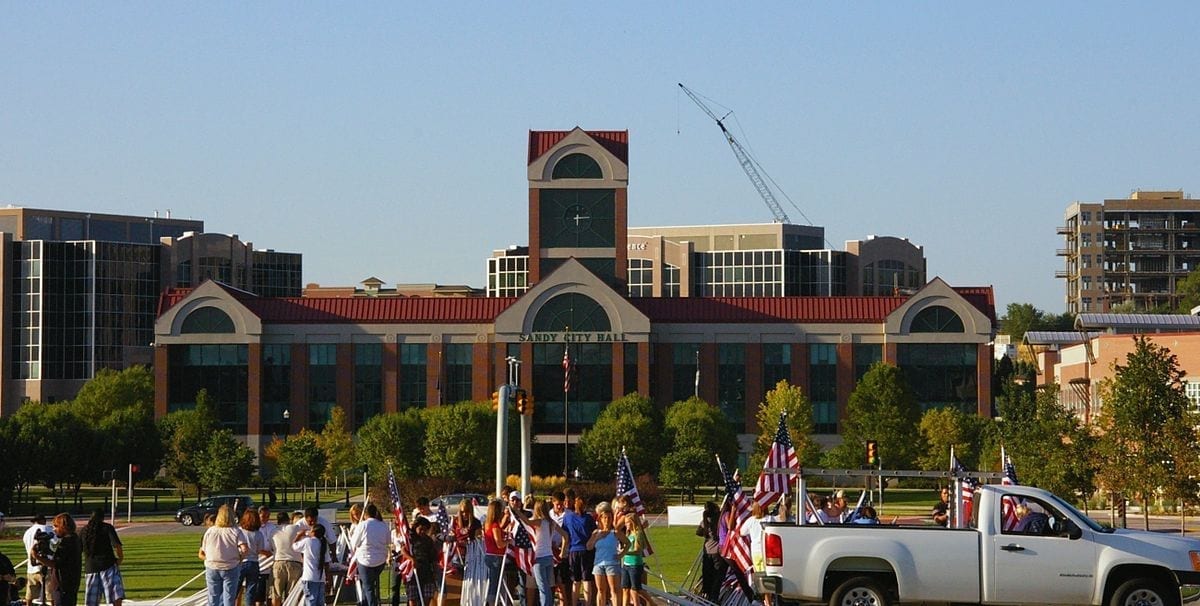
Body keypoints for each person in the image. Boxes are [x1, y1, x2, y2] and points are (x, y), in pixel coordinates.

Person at [511, 499, 568, 606]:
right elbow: (565, 535)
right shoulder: (552, 522)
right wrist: (562, 552)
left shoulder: (540, 522)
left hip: (539, 558)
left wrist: (517, 511)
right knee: (548, 586)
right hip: (549, 557)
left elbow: (527, 522)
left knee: (543, 587)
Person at [200, 504, 249, 606]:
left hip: (212, 566)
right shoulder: (236, 531)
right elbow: (244, 549)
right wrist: (240, 558)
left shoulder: (210, 531)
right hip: (230, 566)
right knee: (229, 597)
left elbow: (204, 549)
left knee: (213, 597)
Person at [79, 509, 125, 606]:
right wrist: (120, 558)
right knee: (115, 596)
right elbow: (117, 545)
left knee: (92, 601)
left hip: (91, 568)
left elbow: (79, 549)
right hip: (108, 565)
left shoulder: (84, 530)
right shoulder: (107, 528)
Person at [351, 504, 390, 606]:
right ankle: (364, 603)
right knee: (367, 585)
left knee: (369, 588)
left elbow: (354, 543)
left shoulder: (362, 525)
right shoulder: (383, 525)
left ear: (365, 514)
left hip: (365, 560)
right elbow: (388, 541)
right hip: (380, 560)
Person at [587, 502, 624, 606]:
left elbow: (628, 543)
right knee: (601, 590)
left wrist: (621, 554)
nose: (607, 520)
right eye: (604, 518)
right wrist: (596, 538)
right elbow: (588, 546)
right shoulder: (596, 532)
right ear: (600, 519)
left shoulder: (615, 532)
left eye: (609, 518)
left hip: (612, 563)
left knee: (614, 589)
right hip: (598, 564)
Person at [563, 498, 596, 606]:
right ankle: (587, 603)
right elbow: (594, 532)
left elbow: (565, 534)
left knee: (576, 581)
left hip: (573, 550)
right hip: (586, 550)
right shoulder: (588, 518)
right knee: (587, 580)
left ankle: (574, 603)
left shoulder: (568, 518)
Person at [399, 518, 437, 606]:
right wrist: (412, 559)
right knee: (413, 598)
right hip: (413, 572)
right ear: (416, 527)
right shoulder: (410, 539)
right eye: (421, 529)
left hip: (426, 572)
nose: (423, 531)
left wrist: (434, 570)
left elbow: (433, 557)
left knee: (427, 597)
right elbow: (403, 550)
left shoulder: (428, 540)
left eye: (425, 529)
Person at [739, 502, 771, 606]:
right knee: (768, 577)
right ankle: (767, 599)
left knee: (760, 577)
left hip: (756, 552)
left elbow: (742, 532)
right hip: (767, 551)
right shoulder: (769, 519)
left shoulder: (751, 521)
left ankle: (764, 599)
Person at [293, 523, 331, 606]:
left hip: (309, 577)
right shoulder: (323, 544)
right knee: (320, 603)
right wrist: (328, 579)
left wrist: (299, 535)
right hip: (321, 578)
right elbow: (327, 562)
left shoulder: (308, 541)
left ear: (313, 532)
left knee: (310, 602)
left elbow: (294, 546)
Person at [618, 513, 650, 606]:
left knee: (636, 589)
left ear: (633, 522)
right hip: (626, 564)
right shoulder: (628, 533)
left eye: (628, 523)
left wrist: (624, 552)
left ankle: (652, 603)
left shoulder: (638, 534)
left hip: (635, 565)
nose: (626, 525)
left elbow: (637, 550)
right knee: (625, 588)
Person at [271, 512, 303, 606]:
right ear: (288, 519)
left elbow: (272, 547)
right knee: (292, 594)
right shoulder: (295, 528)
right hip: (295, 562)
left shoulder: (273, 531)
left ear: (278, 521)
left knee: (276, 594)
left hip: (278, 562)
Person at [236, 509, 267, 606]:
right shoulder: (258, 534)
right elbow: (260, 549)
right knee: (250, 591)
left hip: (240, 561)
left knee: (235, 590)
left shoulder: (239, 531)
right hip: (254, 562)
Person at [50, 513, 82, 606]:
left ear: (63, 526)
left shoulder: (68, 541)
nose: (54, 529)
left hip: (63, 585)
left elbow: (56, 563)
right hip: (70, 584)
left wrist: (37, 557)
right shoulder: (75, 538)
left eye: (56, 526)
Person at [481, 500, 508, 606]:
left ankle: (494, 601)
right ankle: (492, 602)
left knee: (494, 581)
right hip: (496, 557)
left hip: (489, 554)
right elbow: (499, 544)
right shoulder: (495, 526)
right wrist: (508, 541)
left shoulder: (487, 524)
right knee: (494, 583)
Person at [23, 514, 54, 606]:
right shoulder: (47, 529)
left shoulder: (27, 532)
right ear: (43, 520)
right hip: (46, 565)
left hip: (31, 567)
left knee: (30, 595)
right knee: (51, 595)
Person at [696, 501, 723, 604]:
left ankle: (706, 594)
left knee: (707, 574)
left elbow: (698, 532)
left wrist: (706, 533)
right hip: (717, 551)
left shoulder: (705, 522)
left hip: (707, 550)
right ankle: (714, 596)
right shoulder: (719, 521)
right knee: (717, 575)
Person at [449, 498, 481, 573]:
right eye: (462, 512)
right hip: (457, 552)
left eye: (467, 511)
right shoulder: (455, 521)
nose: (464, 514)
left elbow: (478, 539)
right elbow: (452, 535)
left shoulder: (476, 522)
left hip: (471, 553)